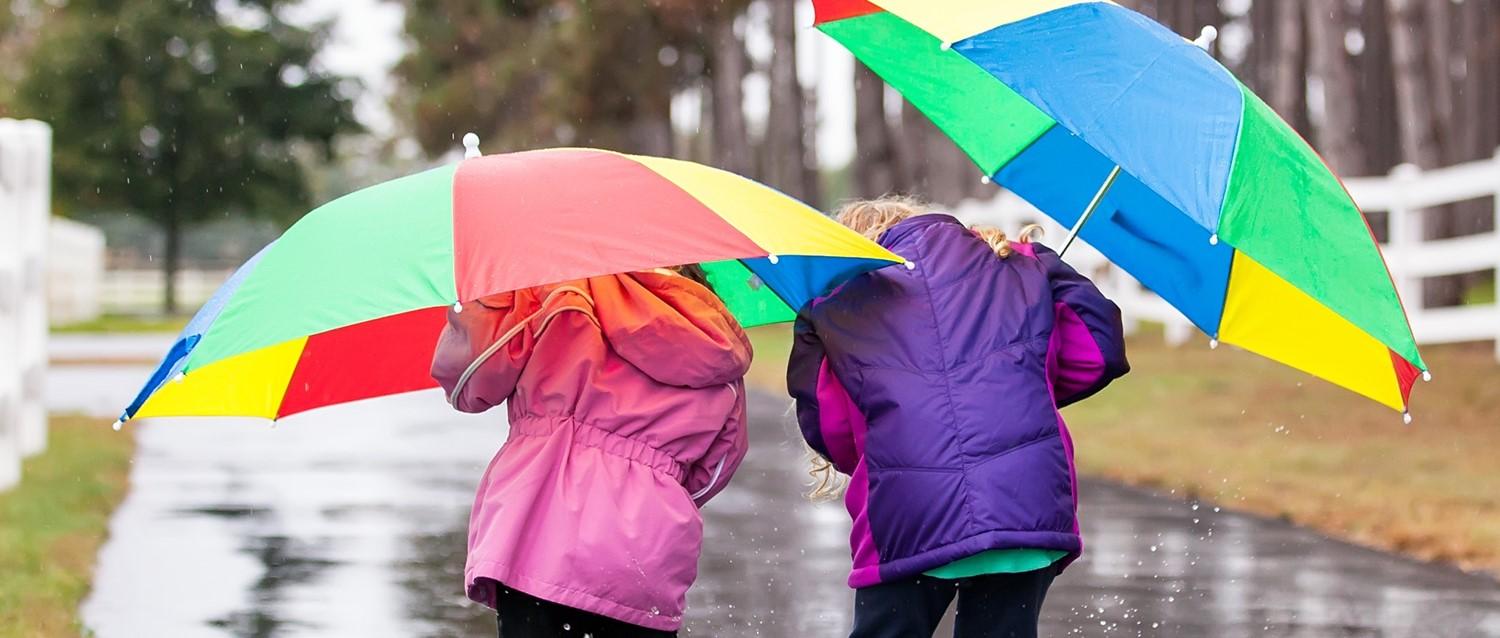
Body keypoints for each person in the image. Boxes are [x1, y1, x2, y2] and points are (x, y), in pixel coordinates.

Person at [788, 196, 1129, 638]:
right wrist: (1046, 274)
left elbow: (829, 431)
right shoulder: (1017, 268)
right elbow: (1099, 350)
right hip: (1024, 502)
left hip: (908, 510)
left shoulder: (840, 303)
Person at [432, 266, 752, 637]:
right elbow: (717, 466)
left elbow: (470, 382)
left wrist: (492, 293)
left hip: (534, 532)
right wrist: (653, 492)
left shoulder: (555, 294)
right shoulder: (715, 340)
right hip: (644, 556)